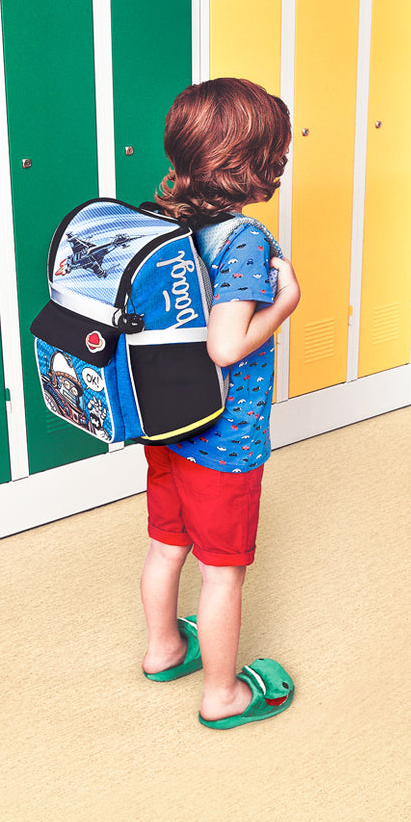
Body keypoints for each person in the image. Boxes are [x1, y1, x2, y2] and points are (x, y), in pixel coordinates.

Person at [139, 78, 300, 729]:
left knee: (165, 547)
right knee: (222, 573)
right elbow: (226, 347)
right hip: (223, 441)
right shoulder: (243, 240)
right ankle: (222, 694)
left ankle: (162, 649)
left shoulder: (161, 220)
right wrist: (284, 304)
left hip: (164, 427)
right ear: (253, 161)